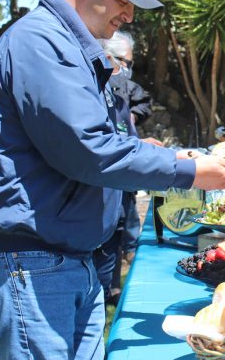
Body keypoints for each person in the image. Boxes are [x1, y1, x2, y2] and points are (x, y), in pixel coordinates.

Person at [0, 0, 225, 360]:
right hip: (30, 262)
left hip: (63, 259)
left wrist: (163, 154)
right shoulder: (43, 43)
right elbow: (88, 150)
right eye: (120, 1)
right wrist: (189, 171)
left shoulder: (65, 44)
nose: (129, 15)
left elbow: (82, 138)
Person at [94, 31, 153, 305]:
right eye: (124, 62)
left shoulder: (118, 98)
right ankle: (104, 291)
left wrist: (142, 146)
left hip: (122, 188)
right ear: (107, 57)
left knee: (121, 234)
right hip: (101, 195)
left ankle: (112, 289)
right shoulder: (93, 97)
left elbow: (126, 138)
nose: (127, 69)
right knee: (106, 243)